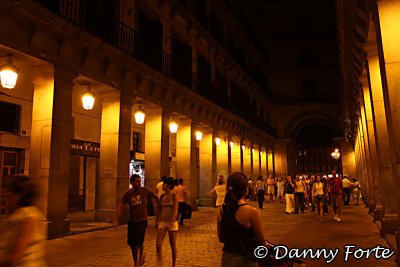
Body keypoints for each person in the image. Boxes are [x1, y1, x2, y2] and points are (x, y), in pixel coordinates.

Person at [217, 172, 267, 267]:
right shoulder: (251, 212)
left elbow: (221, 238)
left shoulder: (222, 211)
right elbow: (261, 240)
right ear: (245, 189)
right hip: (246, 259)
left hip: (227, 258)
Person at [0, 176, 48, 267]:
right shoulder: (28, 213)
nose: (4, 193)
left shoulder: (28, 217)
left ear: (18, 195)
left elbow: (15, 259)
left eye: (9, 190)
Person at [113, 174, 158, 267]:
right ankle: (136, 262)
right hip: (132, 221)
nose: (139, 183)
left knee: (138, 241)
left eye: (140, 181)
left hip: (142, 220)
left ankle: (140, 254)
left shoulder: (145, 190)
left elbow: (155, 195)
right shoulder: (128, 194)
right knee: (132, 244)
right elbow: (120, 206)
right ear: (132, 182)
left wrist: (159, 206)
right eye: (137, 181)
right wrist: (116, 219)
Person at [156, 177, 179, 267]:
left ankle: (173, 264)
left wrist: (173, 218)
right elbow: (159, 209)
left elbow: (176, 209)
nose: (162, 185)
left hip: (171, 222)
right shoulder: (162, 196)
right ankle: (160, 262)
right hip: (162, 221)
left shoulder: (174, 196)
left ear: (168, 185)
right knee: (158, 244)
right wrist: (157, 220)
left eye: (164, 184)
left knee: (172, 244)